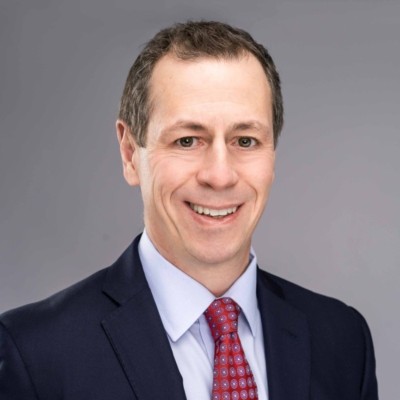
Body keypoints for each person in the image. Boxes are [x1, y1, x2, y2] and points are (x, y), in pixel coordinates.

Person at [0, 21, 378, 400]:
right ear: (130, 154)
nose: (220, 175)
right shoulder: (33, 354)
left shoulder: (343, 340)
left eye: (246, 141)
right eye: (187, 140)